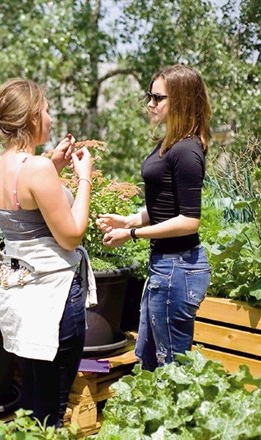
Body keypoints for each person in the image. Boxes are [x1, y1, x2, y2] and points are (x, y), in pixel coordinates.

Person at [0, 78, 96, 427]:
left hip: (20, 296)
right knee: (52, 412)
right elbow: (71, 236)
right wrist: (84, 178)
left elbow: (27, 206)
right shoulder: (37, 169)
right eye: (45, 110)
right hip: (53, 298)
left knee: (32, 405)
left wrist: (53, 165)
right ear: (30, 118)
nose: (51, 118)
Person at [96, 64, 212, 371]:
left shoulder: (186, 150)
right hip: (166, 267)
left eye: (158, 97)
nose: (150, 103)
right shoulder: (170, 145)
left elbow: (189, 220)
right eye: (150, 96)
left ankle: (181, 420)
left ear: (182, 101)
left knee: (171, 368)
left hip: (178, 268)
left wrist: (131, 236)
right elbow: (166, 208)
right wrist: (130, 220)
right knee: (149, 360)